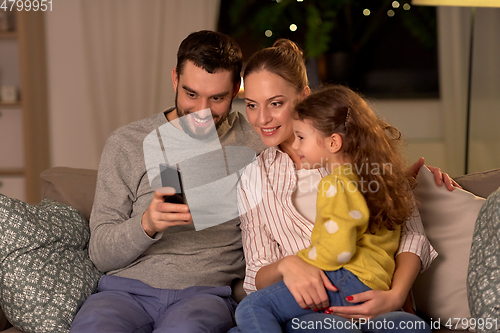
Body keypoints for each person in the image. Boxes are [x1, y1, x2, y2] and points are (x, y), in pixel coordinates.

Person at [231, 39, 458, 332]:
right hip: (309, 309)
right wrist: (288, 266)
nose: (262, 119)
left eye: (276, 103)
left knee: (401, 325)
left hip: (376, 301)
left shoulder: (361, 158)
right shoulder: (253, 177)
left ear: (304, 97)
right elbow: (255, 275)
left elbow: (411, 237)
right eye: (251, 105)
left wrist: (395, 296)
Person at [70, 30, 267, 333]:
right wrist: (147, 224)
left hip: (204, 296)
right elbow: (99, 253)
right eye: (191, 94)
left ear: (236, 89)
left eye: (217, 98)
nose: (202, 111)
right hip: (123, 293)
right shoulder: (127, 143)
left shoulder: (257, 144)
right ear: (175, 79)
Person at [234, 84, 418, 332]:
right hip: (374, 281)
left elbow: (337, 250)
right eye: (251, 104)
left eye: (301, 137)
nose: (297, 146)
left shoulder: (335, 183)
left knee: (250, 309)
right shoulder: (375, 176)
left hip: (346, 279)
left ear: (333, 143)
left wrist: (300, 262)